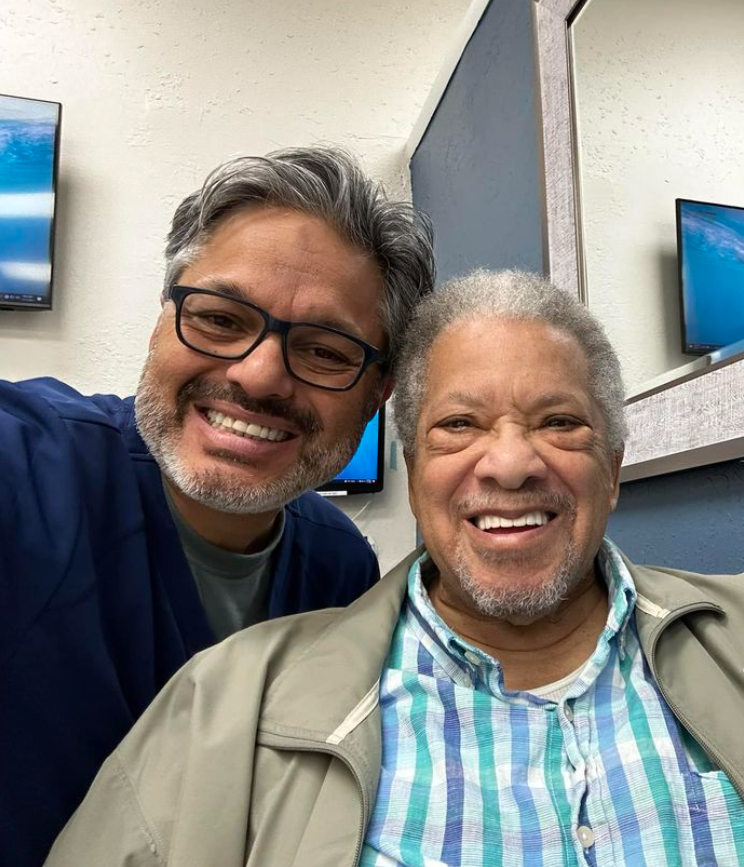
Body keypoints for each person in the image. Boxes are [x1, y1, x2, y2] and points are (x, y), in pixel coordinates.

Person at [43, 269, 744, 867]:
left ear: (612, 471)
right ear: (415, 473)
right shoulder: (220, 704)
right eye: (459, 425)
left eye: (559, 422)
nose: (509, 464)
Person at [0, 146, 435, 867]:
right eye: (221, 319)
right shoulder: (26, 468)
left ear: (377, 395)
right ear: (162, 319)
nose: (259, 376)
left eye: (326, 352)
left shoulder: (340, 569)